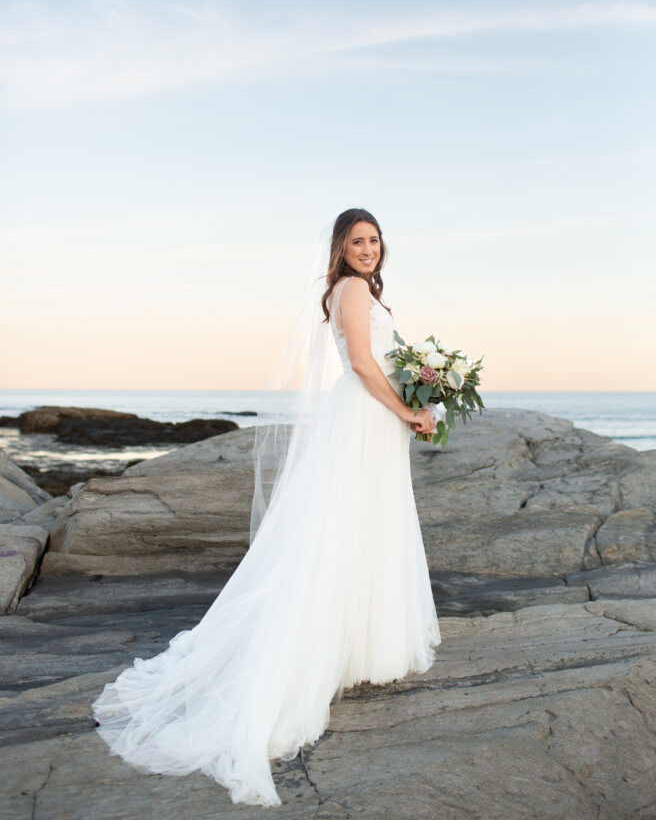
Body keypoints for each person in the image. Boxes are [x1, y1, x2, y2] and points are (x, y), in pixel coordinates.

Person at [91, 207, 442, 807]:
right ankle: (315, 650)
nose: (367, 249)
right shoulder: (351, 289)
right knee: (342, 531)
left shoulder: (367, 292)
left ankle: (355, 641)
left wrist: (424, 392)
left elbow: (384, 363)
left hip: (372, 421)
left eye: (375, 240)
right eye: (357, 241)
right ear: (340, 247)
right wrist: (408, 411)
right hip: (363, 417)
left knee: (364, 528)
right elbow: (361, 364)